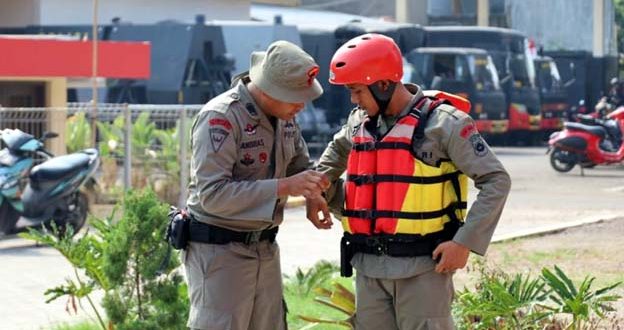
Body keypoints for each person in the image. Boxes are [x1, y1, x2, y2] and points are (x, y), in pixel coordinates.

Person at [307, 33, 511, 329]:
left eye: (357, 91)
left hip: (423, 268)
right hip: (367, 266)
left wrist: (464, 243)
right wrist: (319, 188)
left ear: (383, 85)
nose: (353, 100)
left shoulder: (444, 124)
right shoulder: (358, 122)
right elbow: (339, 148)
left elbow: (496, 180)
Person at [185, 40, 330, 330]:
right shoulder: (222, 118)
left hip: (265, 246)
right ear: (267, 90)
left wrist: (313, 192)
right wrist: (284, 187)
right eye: (294, 97)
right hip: (220, 251)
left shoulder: (285, 117)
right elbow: (213, 195)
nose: (301, 105)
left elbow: (299, 165)